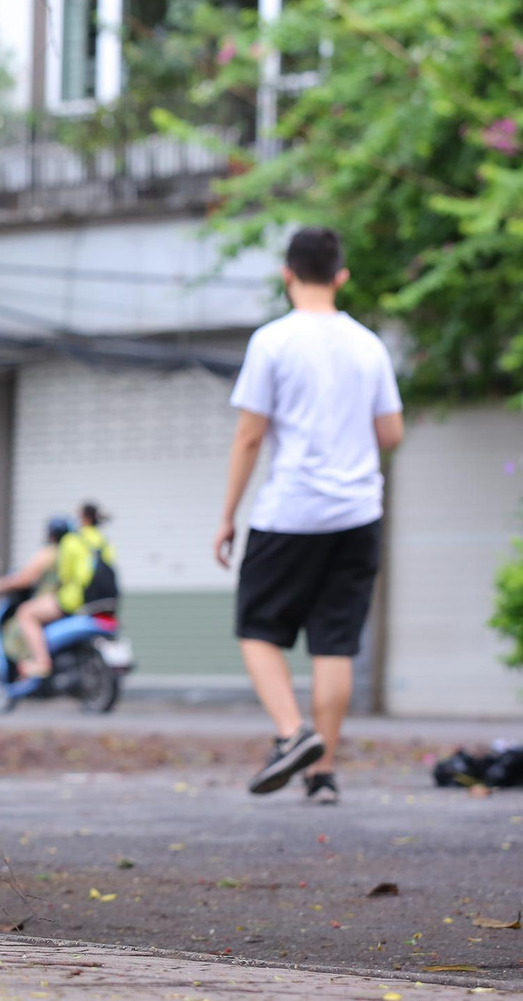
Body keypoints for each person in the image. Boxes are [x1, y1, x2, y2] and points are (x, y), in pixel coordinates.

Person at [214, 226, 404, 805]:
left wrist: (227, 516)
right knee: (334, 644)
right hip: (357, 514)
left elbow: (250, 436)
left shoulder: (272, 342)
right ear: (341, 276)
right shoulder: (369, 345)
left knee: (256, 627)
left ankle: (291, 732)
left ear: (286, 274)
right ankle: (322, 772)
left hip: (291, 510)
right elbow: (391, 433)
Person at [0, 504, 119, 679]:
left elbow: (64, 574)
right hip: (101, 600)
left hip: (73, 600)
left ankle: (41, 661)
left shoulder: (72, 541)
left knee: (26, 612)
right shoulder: (103, 541)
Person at [0, 516, 70, 667]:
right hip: (66, 599)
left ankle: (41, 660)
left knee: (24, 613)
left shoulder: (49, 553)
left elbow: (25, 578)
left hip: (53, 599)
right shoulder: (68, 552)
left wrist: (0, 584)